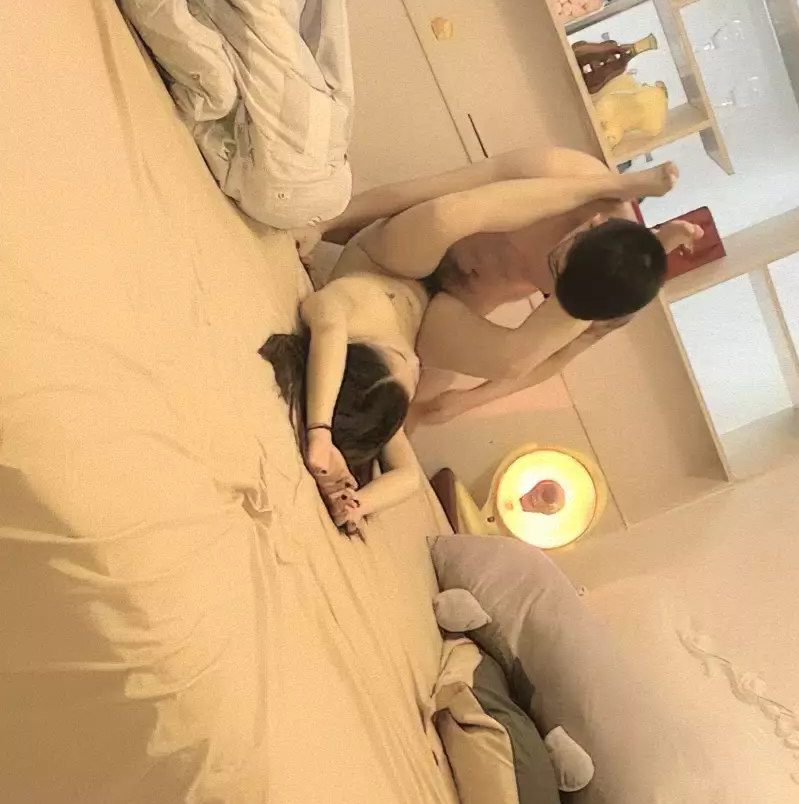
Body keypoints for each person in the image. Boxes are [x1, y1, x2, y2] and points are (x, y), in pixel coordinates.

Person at [269, 150, 697, 534]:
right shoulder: (560, 171)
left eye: (555, 291)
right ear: (591, 225)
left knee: (504, 364)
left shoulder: (602, 295)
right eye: (557, 266)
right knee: (447, 215)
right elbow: (426, 192)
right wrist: (325, 223)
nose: (547, 285)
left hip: (437, 317)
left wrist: (466, 401)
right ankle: (623, 192)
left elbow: (548, 359)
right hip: (397, 256)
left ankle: (657, 246)